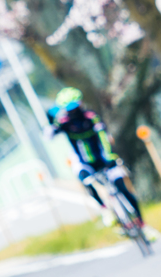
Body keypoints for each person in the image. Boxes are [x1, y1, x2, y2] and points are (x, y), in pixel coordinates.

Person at [46, 87, 144, 224]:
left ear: (80, 103)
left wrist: (110, 156)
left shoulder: (91, 117)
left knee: (122, 188)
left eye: (75, 107)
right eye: (69, 109)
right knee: (83, 178)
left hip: (104, 157)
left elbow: (103, 136)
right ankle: (104, 208)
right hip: (83, 161)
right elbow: (49, 135)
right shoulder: (63, 123)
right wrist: (51, 122)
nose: (73, 111)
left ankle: (141, 223)